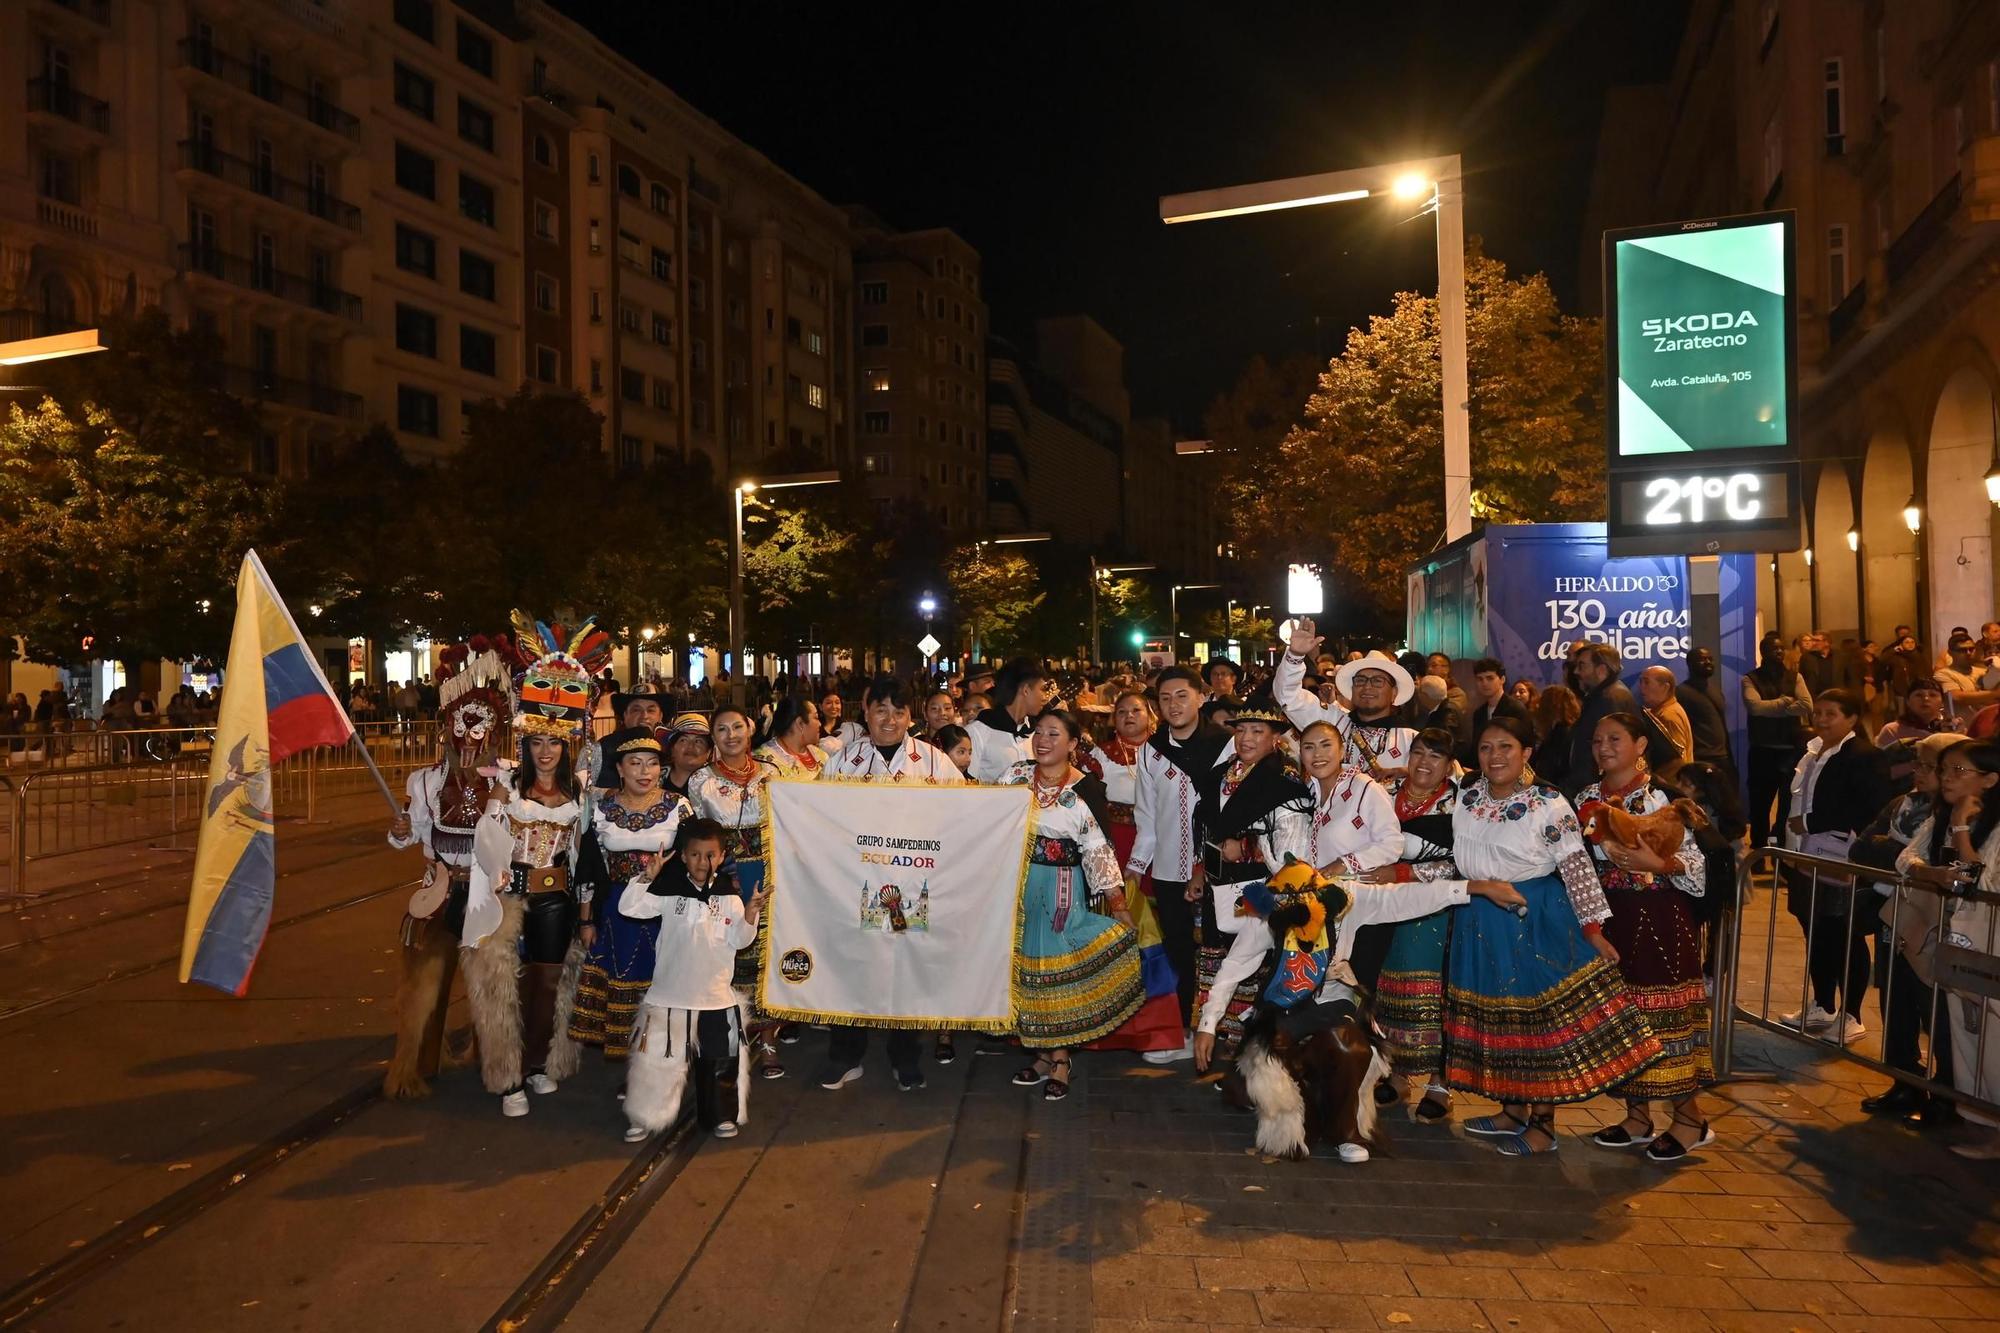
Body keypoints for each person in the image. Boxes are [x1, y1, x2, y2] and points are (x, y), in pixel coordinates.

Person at [1442, 715, 1663, 1156]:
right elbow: (1457, 857)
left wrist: (1593, 930)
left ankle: (1543, 1126)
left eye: (1506, 747)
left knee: (1536, 1021)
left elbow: (1576, 867)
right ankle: (1512, 1109)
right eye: (1486, 748)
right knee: (1498, 1017)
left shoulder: (1547, 802)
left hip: (1532, 917)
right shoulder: (1467, 797)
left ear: (1526, 753)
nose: (1494, 756)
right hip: (1479, 918)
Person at [462, 614, 610, 1117]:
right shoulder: (507, 784)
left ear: (566, 747)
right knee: (506, 984)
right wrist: (496, 863)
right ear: (525, 745)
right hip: (510, 895)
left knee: (550, 982)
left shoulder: (579, 792)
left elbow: (587, 853)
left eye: (554, 743)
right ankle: (509, 1078)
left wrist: (585, 909)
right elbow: (486, 837)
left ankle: (540, 1062)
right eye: (537, 743)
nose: (545, 752)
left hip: (557, 897)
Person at [1576, 713, 1715, 1160]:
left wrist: (1662, 865)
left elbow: (1700, 864)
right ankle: (1637, 1117)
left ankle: (1690, 1120)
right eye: (1597, 740)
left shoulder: (1664, 797)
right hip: (1609, 918)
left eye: (1614, 739)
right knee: (1623, 1020)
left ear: (1640, 745)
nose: (1603, 747)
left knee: (1664, 1019)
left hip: (1660, 917)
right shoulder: (1585, 799)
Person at [816, 675, 964, 1092]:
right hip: (855, 882)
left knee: (906, 968)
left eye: (898, 712)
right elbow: (818, 817)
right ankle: (846, 1055)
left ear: (910, 716)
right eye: (880, 710)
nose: (889, 720)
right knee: (852, 965)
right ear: (865, 712)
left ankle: (905, 1057)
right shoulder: (844, 762)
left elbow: (962, 814)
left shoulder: (934, 762)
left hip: (910, 885)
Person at [383, 642, 509, 1099]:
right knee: (424, 988)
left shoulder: (506, 778)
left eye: (480, 725)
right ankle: (416, 1067)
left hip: (486, 894)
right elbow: (411, 834)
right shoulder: (425, 780)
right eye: (462, 724)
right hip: (438, 889)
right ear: (446, 729)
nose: (470, 735)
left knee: (489, 986)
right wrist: (400, 829)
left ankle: (491, 1063)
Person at [1001, 711, 1144, 1100]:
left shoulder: (1084, 787)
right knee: (1025, 970)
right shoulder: (1014, 776)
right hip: (1017, 884)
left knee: (1054, 967)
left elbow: (1097, 849)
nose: (1043, 740)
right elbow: (986, 819)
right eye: (1038, 732)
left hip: (1060, 888)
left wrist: (1118, 904)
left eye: (1053, 734)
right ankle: (1042, 1054)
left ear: (1073, 744)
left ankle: (1061, 1060)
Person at [620, 818, 765, 1141]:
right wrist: (647, 876)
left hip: (715, 997)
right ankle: (644, 1115)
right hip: (670, 995)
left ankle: (721, 1114)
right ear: (684, 856)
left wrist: (750, 914)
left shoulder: (730, 898)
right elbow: (629, 908)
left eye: (710, 855)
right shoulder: (668, 892)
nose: (703, 862)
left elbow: (740, 940)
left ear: (722, 856)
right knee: (657, 1061)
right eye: (696, 854)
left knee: (719, 1061)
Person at [1189, 696, 1315, 1069]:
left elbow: (1293, 857)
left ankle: (1248, 1052)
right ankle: (1222, 1039)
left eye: (1257, 731)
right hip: (1218, 886)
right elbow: (1208, 828)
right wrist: (1201, 869)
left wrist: (1244, 849)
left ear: (1275, 737)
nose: (1246, 738)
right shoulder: (1222, 774)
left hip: (1261, 891)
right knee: (1219, 956)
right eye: (1241, 730)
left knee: (1250, 963)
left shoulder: (1284, 783)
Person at [1851, 730, 1966, 1127]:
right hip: (1900, 918)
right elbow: (1866, 848)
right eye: (1920, 763)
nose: (1921, 772)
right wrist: (1910, 861)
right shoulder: (1905, 804)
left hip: (1943, 928)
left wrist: (1903, 857)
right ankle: (1905, 1080)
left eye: (1932, 766)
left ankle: (1948, 1094)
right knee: (1896, 1003)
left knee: (1937, 1012)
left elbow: (1952, 869)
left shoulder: (1965, 817)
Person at [1895, 740, 2000, 1159]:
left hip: (1992, 942)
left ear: (1989, 780)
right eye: (1945, 770)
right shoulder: (1941, 816)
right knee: (1969, 1033)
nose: (1947, 778)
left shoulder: (1986, 824)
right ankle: (1983, 1124)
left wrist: (1960, 827)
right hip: (1963, 941)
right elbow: (1907, 858)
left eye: (1960, 770)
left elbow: (1980, 880)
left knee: (1993, 1036)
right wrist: (1932, 872)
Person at [569, 727, 692, 1071]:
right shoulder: (602, 809)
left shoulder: (678, 806)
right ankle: (635, 1068)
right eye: (635, 763)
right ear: (620, 769)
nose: (644, 771)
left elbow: (694, 861)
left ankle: (665, 1062)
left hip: (664, 910)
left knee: (663, 985)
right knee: (623, 985)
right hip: (616, 912)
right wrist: (586, 920)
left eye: (651, 763)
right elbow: (590, 869)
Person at [1125, 667, 1229, 1065]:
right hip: (1169, 870)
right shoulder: (1151, 751)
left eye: (1182, 695)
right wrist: (1135, 868)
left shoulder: (1226, 746)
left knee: (1221, 950)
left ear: (1201, 697)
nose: (1174, 705)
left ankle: (1222, 1031)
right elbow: (1146, 817)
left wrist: (1209, 860)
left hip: (1220, 871)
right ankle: (1181, 1030)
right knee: (1178, 951)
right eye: (1165, 698)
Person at [1359, 728, 1463, 1120]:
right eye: (1418, 752)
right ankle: (1398, 1074)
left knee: (1434, 994)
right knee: (1386, 988)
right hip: (1383, 906)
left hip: (1434, 908)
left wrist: (1403, 873)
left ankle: (1440, 1084)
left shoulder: (1459, 802)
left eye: (1435, 756)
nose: (1424, 762)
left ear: (1449, 765)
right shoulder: (1382, 793)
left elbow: (1462, 861)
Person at [1781, 688, 1889, 1043]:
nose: (1822, 719)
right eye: (1819, 712)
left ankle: (1852, 1014)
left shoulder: (1865, 756)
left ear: (1852, 718)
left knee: (1845, 934)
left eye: (1831, 714)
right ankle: (1823, 1004)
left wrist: (1810, 823)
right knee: (1814, 931)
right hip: (1805, 854)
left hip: (1841, 857)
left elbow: (1869, 808)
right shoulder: (1812, 750)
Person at [688, 705, 785, 1079]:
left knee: (765, 959)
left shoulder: (772, 773)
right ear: (713, 737)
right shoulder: (702, 780)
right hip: (726, 878)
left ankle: (769, 1042)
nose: (731, 735)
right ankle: (730, 1042)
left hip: (768, 873)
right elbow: (699, 835)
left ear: (750, 730)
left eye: (737, 727)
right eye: (722, 729)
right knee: (727, 959)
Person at [1276, 619, 1416, 782]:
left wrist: (1411, 773)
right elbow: (1288, 697)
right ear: (1352, 689)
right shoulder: (1332, 722)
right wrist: (1295, 655)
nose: (1367, 687)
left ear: (1394, 693)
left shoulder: (1412, 741)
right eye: (1360, 680)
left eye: (1378, 681)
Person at [1744, 638, 1813, 848]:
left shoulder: (1795, 676)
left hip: (1791, 750)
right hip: (1762, 750)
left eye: (1782, 648)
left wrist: (1772, 709)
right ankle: (1759, 849)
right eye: (1774, 648)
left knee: (1787, 806)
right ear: (1763, 651)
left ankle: (1781, 847)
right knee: (1760, 806)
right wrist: (1785, 702)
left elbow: (1807, 705)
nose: (1779, 652)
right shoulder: (1750, 678)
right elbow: (1755, 707)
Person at [1558, 642, 1638, 795]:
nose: (1576, 671)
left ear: (1601, 670)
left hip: (1598, 790)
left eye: (1582, 666)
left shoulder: (1608, 699)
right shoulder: (1604, 696)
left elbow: (1609, 752)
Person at [967, 657, 1047, 783]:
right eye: (1042, 689)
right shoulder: (977, 732)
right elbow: (968, 785)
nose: (1045, 697)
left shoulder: (1037, 732)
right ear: (1026, 690)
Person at [1876, 678, 1948, 792]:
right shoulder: (1892, 730)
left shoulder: (1949, 729)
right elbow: (1880, 769)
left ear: (1942, 702)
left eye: (1933, 695)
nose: (1926, 699)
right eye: (1919, 695)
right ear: (1908, 701)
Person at [1459, 658, 1530, 768]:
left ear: (1502, 679)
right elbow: (1477, 747)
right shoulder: (1479, 713)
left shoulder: (1515, 709)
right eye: (1480, 679)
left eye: (1490, 678)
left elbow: (1526, 744)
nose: (1484, 683)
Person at [1677, 649, 1735, 778]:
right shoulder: (1681, 693)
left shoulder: (1715, 690)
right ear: (1690, 664)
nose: (1708, 662)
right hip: (1701, 759)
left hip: (1722, 757)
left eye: (1710, 659)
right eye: (1702, 659)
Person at [1636, 665, 1695, 782]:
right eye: (1641, 682)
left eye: (1646, 682)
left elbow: (1675, 763)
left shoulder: (1668, 716)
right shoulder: (1665, 711)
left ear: (1665, 687)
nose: (1641, 687)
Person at [758, 695, 827, 778]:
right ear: (800, 723)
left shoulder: (822, 756)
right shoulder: (766, 764)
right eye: (816, 718)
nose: (820, 724)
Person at [661, 711, 712, 799]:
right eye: (683, 740)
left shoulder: (716, 787)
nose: (691, 746)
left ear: (708, 752)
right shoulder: (654, 779)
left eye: (698, 741)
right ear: (671, 749)